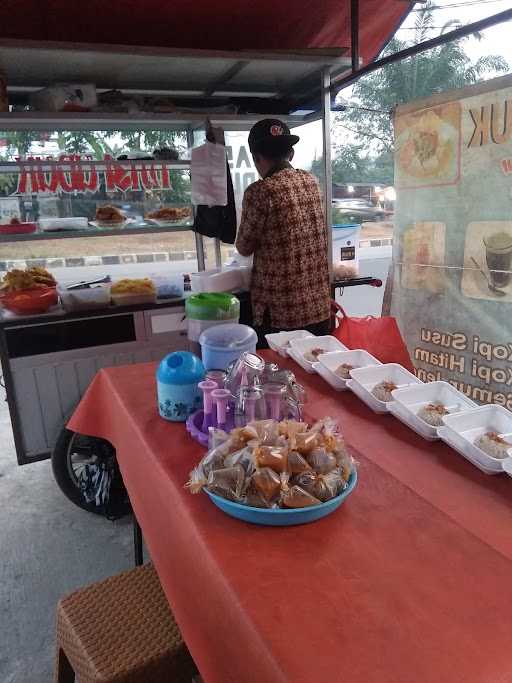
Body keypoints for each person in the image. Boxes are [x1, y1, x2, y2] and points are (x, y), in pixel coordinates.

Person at [235, 119, 331, 347]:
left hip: (280, 315)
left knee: (277, 380)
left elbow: (243, 246)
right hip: (318, 308)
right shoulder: (312, 182)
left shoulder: (260, 191)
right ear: (291, 153)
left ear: (256, 157)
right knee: (313, 374)